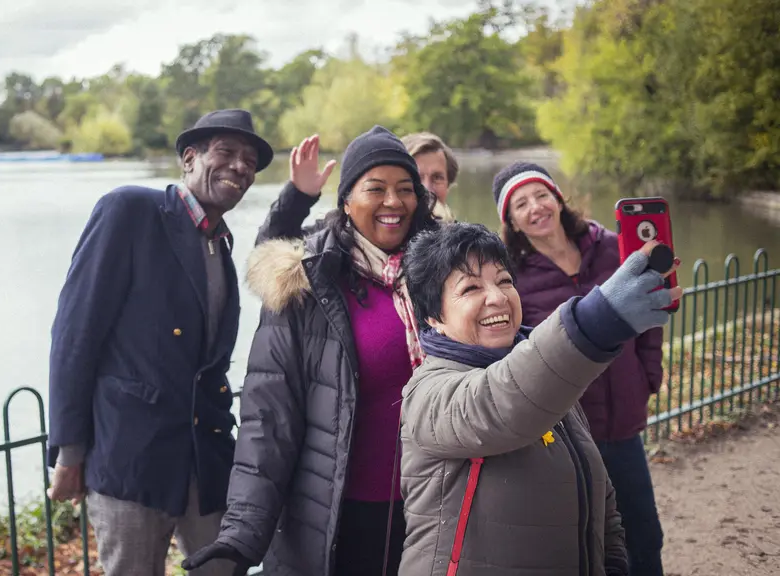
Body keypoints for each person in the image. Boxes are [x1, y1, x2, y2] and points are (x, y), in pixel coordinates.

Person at [182, 126, 438, 576]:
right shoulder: (307, 284)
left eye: (405, 189)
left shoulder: (446, 275)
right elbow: (268, 423)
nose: (393, 202)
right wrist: (241, 535)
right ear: (345, 201)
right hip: (336, 518)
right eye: (374, 189)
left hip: (436, 510)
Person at [45, 109, 274, 576]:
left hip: (204, 461)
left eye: (249, 160)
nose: (239, 167)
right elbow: (74, 334)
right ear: (189, 158)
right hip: (132, 462)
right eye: (225, 153)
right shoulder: (130, 211)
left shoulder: (223, 247)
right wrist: (69, 452)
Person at [398, 222, 682, 575]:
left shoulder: (548, 381)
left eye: (504, 280)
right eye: (471, 287)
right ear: (433, 318)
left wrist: (612, 563)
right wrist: (598, 320)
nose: (498, 297)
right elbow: (499, 401)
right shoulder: (428, 393)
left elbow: (600, 500)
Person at [493, 162, 667, 575]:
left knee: (643, 533)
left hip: (623, 422)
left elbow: (652, 304)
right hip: (568, 425)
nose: (535, 207)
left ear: (557, 198)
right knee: (583, 540)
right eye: (521, 204)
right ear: (512, 221)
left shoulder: (612, 246)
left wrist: (648, 374)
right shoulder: (512, 277)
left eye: (541, 195)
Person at [255, 131, 458, 244]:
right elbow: (270, 250)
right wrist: (299, 196)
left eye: (438, 178)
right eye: (417, 179)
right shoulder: (332, 241)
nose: (427, 188)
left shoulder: (456, 245)